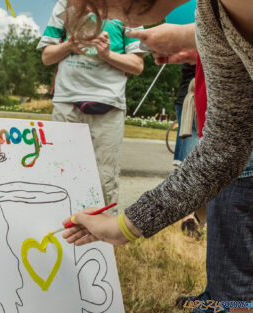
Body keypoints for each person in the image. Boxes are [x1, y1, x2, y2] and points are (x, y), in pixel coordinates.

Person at [61, 0, 253, 311]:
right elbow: (224, 146)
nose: (110, 20)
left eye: (104, 9)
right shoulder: (214, 14)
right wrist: (124, 226)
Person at [37, 0, 145, 214]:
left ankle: (101, 244)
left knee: (104, 177)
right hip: (67, 100)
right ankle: (61, 234)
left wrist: (107, 54)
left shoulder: (131, 6)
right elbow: (47, 57)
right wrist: (70, 44)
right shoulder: (66, 4)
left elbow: (137, 65)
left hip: (109, 104)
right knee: (61, 170)